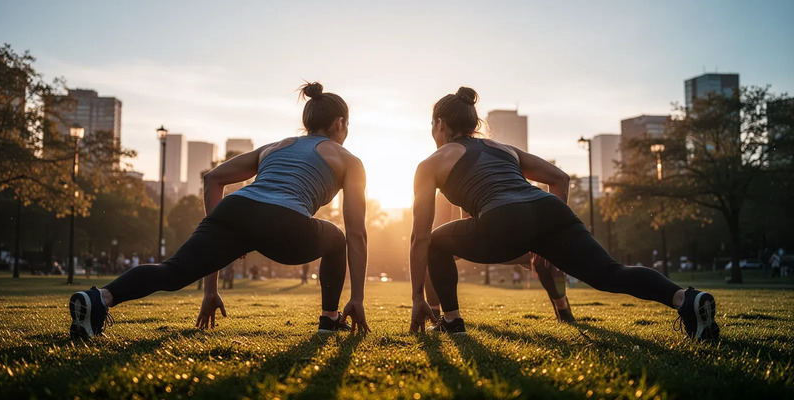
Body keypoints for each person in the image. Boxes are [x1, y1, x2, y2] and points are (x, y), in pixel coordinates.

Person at [408, 87, 718, 341]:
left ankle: (452, 322)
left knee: (435, 241)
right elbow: (559, 179)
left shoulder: (432, 162)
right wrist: (545, 238)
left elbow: (420, 236)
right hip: (549, 209)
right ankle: (685, 299)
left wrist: (417, 299)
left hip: (502, 219)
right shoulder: (503, 148)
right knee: (610, 273)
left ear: (439, 125)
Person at [69, 82, 371, 338]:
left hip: (235, 210)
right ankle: (330, 318)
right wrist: (356, 298)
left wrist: (210, 285)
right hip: (286, 224)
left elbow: (213, 178)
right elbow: (357, 233)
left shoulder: (276, 146)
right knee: (337, 236)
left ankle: (101, 298)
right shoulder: (348, 160)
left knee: (171, 272)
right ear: (339, 124)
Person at [424, 194, 576, 323]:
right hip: (477, 241)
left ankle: (563, 309)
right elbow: (435, 235)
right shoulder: (448, 187)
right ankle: (435, 315)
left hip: (502, 241)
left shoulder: (504, 175)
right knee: (432, 250)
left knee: (545, 255)